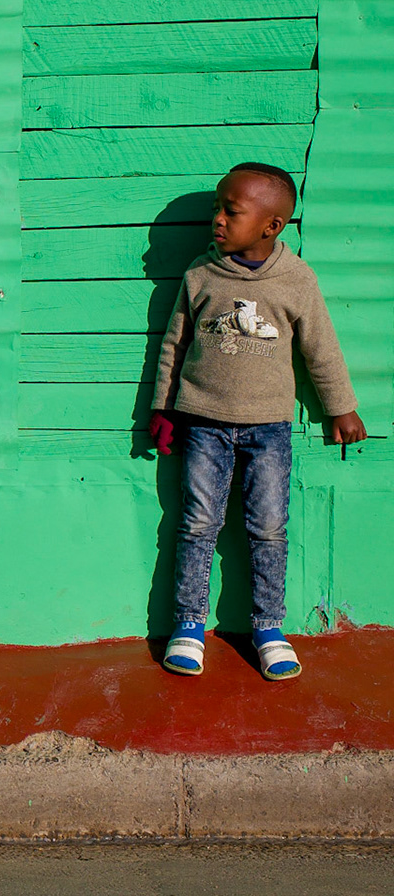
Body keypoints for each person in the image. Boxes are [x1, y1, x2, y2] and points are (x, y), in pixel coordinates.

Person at [149, 163, 367, 681]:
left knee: (268, 528)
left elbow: (321, 348)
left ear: (272, 226)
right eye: (216, 209)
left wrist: (340, 406)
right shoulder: (200, 275)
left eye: (231, 211)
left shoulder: (296, 279)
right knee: (198, 524)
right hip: (203, 422)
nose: (218, 220)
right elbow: (174, 344)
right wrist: (164, 407)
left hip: (269, 428)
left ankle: (268, 628)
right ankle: (189, 624)